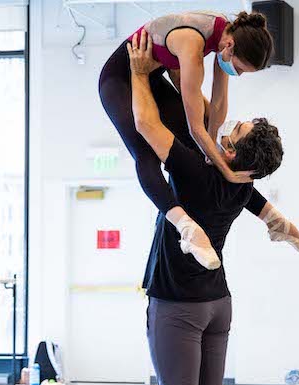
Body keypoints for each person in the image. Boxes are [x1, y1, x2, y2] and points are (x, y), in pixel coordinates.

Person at [126, 33, 299, 385]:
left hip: (179, 305)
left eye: (232, 132)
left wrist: (141, 74)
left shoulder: (196, 170)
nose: (223, 129)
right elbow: (210, 115)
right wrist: (219, 69)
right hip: (218, 305)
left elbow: (146, 124)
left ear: (232, 150)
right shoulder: (240, 183)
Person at [99, 10, 277, 271]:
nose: (238, 73)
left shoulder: (224, 35)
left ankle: (269, 216)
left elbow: (217, 104)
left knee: (198, 142)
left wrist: (215, 148)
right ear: (230, 47)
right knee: (146, 151)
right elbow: (195, 128)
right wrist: (225, 169)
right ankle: (185, 226)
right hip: (121, 78)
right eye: (240, 68)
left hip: (151, 75)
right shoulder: (193, 43)